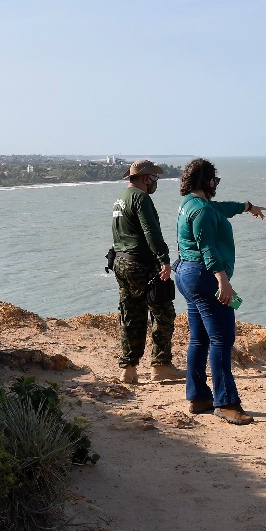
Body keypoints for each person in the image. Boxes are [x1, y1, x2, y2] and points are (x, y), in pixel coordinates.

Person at [173, 158, 266, 424]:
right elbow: (208, 249)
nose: (216, 184)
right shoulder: (202, 211)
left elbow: (222, 208)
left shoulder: (190, 204)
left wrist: (247, 207)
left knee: (199, 339)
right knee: (222, 338)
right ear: (207, 181)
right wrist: (223, 281)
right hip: (204, 276)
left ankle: (199, 397)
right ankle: (225, 403)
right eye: (215, 180)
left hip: (187, 274)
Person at [111, 159, 184, 385]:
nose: (155, 181)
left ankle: (129, 369)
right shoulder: (141, 198)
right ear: (145, 178)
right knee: (163, 312)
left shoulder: (120, 199)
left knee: (131, 315)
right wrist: (164, 260)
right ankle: (160, 366)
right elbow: (150, 231)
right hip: (141, 264)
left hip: (121, 262)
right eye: (154, 177)